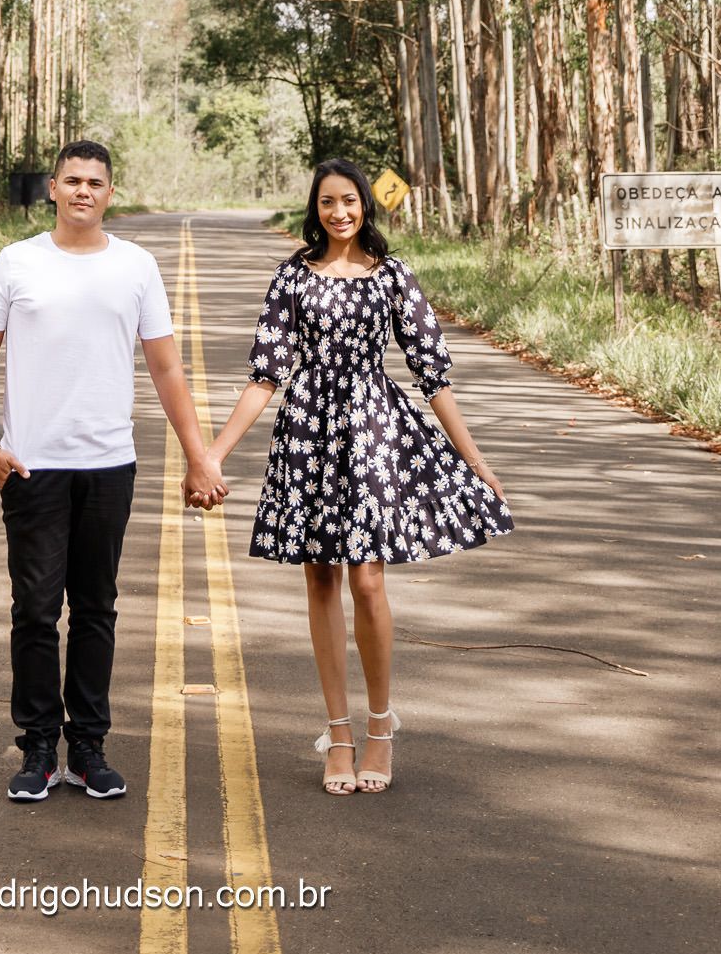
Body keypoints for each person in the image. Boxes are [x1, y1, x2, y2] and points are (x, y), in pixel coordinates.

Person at [196, 158, 512, 796]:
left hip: (372, 435)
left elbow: (435, 378)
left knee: (367, 581)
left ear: (365, 204)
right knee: (321, 579)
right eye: (326, 203)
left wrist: (478, 463)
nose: (338, 212)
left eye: (349, 201)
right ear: (313, 209)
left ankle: (379, 727)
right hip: (309, 432)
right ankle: (337, 733)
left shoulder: (392, 275)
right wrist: (213, 454)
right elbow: (266, 376)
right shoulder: (294, 274)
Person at [0, 139, 227, 803]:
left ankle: (87, 747)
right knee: (34, 610)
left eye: (96, 182)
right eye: (72, 180)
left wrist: (199, 456)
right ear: (51, 188)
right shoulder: (15, 262)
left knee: (96, 609)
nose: (83, 191)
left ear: (111, 193)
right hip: (32, 467)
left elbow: (167, 367)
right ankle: (36, 750)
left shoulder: (135, 267)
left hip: (109, 465)